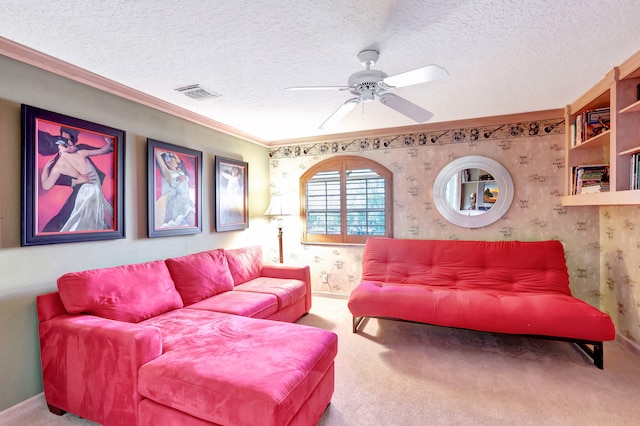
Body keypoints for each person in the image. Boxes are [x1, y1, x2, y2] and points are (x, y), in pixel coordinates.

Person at [39, 127, 113, 232]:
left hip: (90, 191)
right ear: (59, 147)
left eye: (71, 141)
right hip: (89, 191)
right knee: (83, 219)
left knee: (85, 219)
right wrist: (76, 181)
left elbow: (104, 150)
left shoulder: (78, 153)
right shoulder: (61, 164)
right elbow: (47, 186)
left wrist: (46, 168)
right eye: (66, 143)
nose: (70, 145)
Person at [155, 150, 196, 227]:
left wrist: (186, 178)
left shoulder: (180, 172)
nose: (177, 161)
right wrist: (164, 153)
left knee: (191, 223)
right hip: (177, 204)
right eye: (174, 160)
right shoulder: (168, 173)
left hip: (186, 201)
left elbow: (178, 161)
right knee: (186, 223)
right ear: (167, 162)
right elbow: (158, 154)